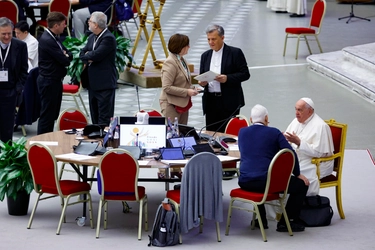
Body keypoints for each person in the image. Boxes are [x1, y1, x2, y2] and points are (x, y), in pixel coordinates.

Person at [238, 104, 309, 232]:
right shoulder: (274, 132)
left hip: (244, 181)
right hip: (265, 183)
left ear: (250, 119)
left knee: (257, 175)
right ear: (266, 118)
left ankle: (261, 220)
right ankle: (287, 222)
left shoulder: (242, 132)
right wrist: (297, 173)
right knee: (301, 185)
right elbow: (290, 153)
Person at [198, 24, 250, 133]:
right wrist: (202, 83)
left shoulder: (235, 53)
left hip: (229, 101)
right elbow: (202, 75)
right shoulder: (205, 56)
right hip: (211, 101)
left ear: (222, 38)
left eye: (214, 39)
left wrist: (227, 78)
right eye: (208, 39)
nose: (210, 42)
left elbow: (245, 74)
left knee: (229, 134)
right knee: (211, 133)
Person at [284, 97, 334, 196]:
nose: (296, 113)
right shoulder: (295, 121)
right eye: (296, 109)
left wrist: (299, 143)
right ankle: (280, 205)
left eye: (300, 110)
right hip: (298, 158)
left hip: (316, 162)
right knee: (279, 169)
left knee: (295, 173)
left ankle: (298, 204)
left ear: (309, 111)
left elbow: (320, 153)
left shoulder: (321, 126)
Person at [37, 12, 73, 135]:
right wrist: (65, 56)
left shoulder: (54, 37)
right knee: (47, 116)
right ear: (56, 25)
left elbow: (69, 55)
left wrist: (65, 55)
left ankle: (48, 139)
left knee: (53, 114)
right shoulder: (48, 39)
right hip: (49, 81)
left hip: (55, 81)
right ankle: (41, 142)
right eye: (63, 24)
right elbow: (65, 60)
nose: (65, 27)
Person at [79, 11, 117, 125]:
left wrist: (90, 56)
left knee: (104, 118)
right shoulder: (91, 37)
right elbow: (82, 53)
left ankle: (104, 142)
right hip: (92, 84)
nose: (88, 23)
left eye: (90, 21)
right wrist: (88, 56)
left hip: (104, 84)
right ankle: (95, 141)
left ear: (95, 24)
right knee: (94, 116)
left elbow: (96, 55)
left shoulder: (108, 38)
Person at [159, 33, 198, 125]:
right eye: (187, 45)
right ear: (180, 47)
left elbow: (182, 81)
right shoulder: (170, 63)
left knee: (183, 132)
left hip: (182, 103)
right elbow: (166, 87)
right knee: (172, 134)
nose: (189, 47)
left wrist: (192, 88)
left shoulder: (181, 60)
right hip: (171, 105)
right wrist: (187, 92)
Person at [0, 17, 28, 144]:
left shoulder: (20, 46)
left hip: (10, 92)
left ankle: (6, 156)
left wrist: (18, 88)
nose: (7, 37)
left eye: (9, 33)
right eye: (3, 34)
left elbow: (24, 70)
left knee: (7, 127)